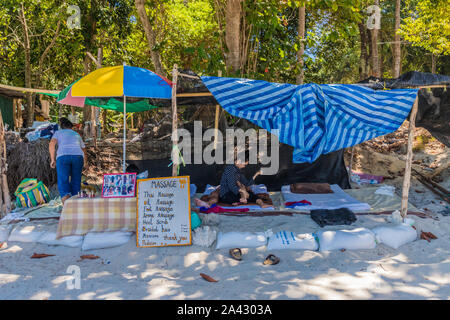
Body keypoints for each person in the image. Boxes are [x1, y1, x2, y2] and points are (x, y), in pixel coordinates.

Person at [49, 117, 87, 204]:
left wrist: (52, 159)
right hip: (78, 157)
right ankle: (75, 203)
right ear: (71, 127)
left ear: (61, 126)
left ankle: (66, 206)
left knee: (63, 180)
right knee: (76, 180)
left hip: (63, 156)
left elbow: (51, 144)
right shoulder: (76, 134)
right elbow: (84, 149)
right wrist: (85, 162)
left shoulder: (58, 133)